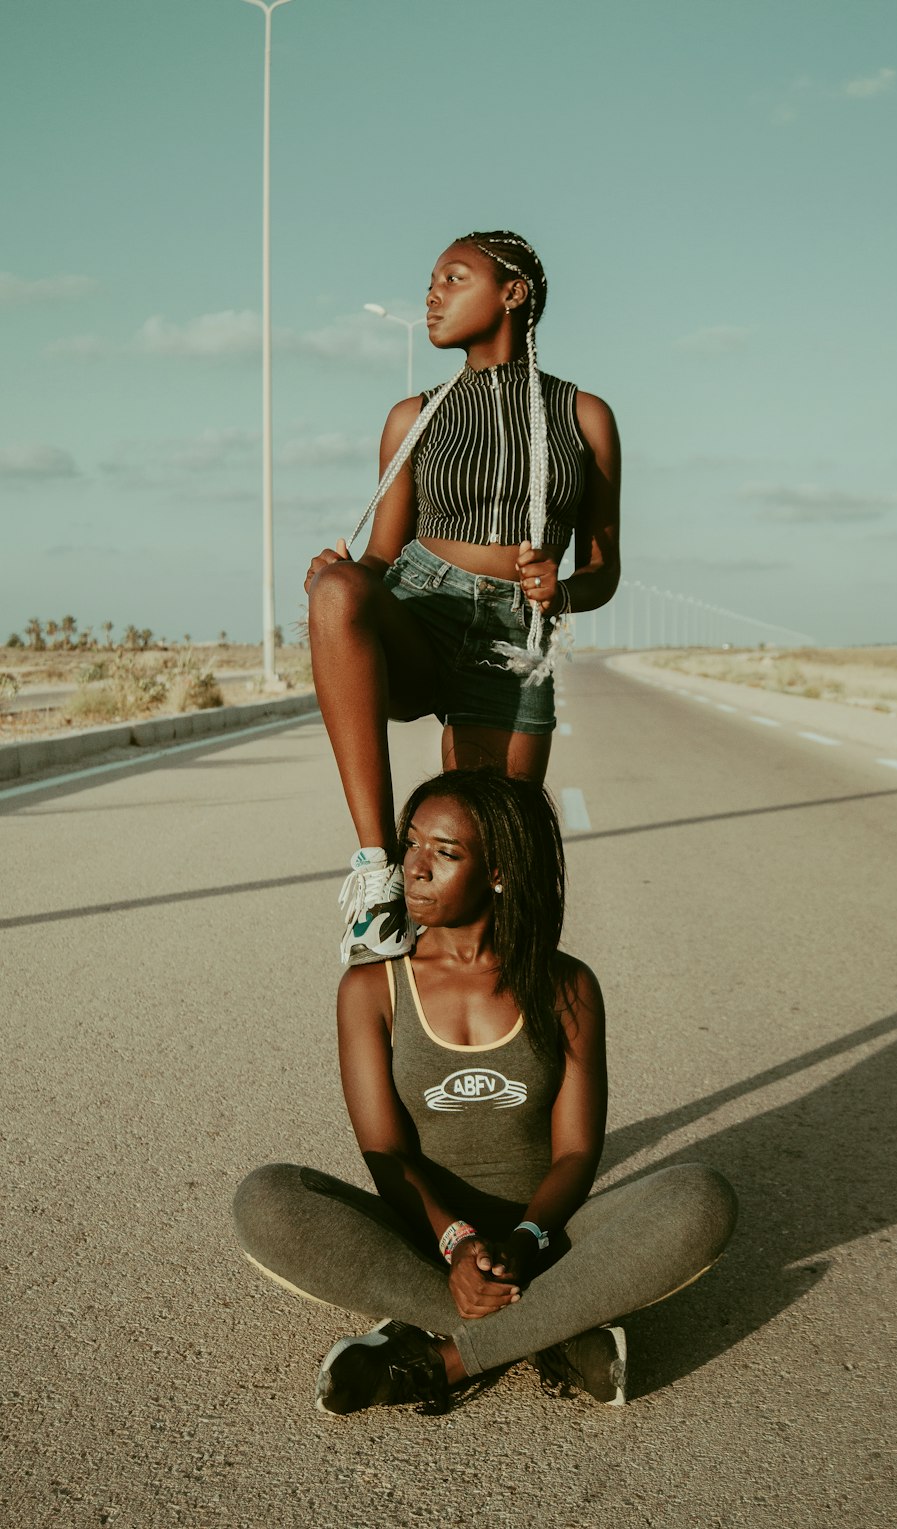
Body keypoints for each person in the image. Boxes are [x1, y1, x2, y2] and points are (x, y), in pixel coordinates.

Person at [233, 771, 737, 1414]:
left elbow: (577, 1154)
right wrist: (459, 1246)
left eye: (444, 853)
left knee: (700, 1196)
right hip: (426, 1239)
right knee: (266, 1198)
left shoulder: (565, 986)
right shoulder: (372, 989)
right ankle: (548, 1330)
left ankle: (443, 1358)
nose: (412, 868)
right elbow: (385, 1152)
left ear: (498, 873)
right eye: (410, 844)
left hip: (551, 1238)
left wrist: (523, 1244)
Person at [304, 230, 621, 964]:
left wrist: (563, 588)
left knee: (493, 871)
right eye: (432, 281)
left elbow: (604, 568)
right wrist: (340, 584)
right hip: (422, 609)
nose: (432, 294)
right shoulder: (412, 415)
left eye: (454, 277)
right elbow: (382, 557)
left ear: (513, 294)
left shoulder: (585, 417)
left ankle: (485, 1034)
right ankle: (377, 875)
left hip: (514, 639)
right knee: (335, 586)